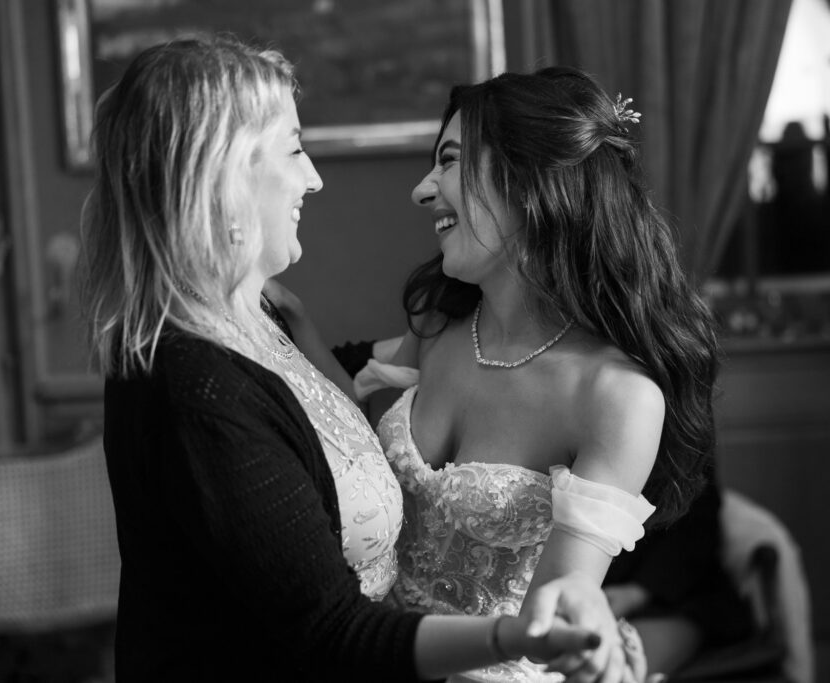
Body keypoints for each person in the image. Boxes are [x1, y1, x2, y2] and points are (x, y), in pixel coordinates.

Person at [81, 37, 625, 683]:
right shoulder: (194, 384)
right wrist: (516, 637)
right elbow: (327, 632)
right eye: (294, 149)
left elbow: (325, 404)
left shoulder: (267, 324)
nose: (313, 176)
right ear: (223, 176)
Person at [344, 66, 720, 682]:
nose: (421, 190)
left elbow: (564, 600)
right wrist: (283, 319)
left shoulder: (616, 396)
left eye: (448, 161)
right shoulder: (438, 325)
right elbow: (332, 398)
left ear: (528, 181)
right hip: (377, 651)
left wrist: (583, 629)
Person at [602, 467, 755, 675]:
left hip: (674, 595)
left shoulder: (680, 448)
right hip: (592, 590)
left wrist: (638, 592)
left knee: (616, 664)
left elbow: (697, 528)